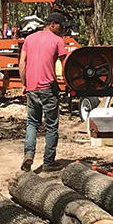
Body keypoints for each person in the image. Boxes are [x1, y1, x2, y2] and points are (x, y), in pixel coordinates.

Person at [19, 11, 68, 171]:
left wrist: (24, 84)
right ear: (52, 24)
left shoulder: (29, 39)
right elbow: (66, 64)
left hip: (32, 88)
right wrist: (70, 83)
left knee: (32, 123)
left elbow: (22, 64)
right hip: (48, 88)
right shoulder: (58, 41)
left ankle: (29, 154)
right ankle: (48, 162)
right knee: (51, 125)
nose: (62, 30)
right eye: (61, 26)